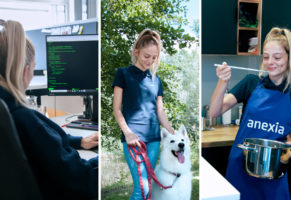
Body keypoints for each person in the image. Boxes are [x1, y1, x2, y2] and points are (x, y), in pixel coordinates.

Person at [0, 19, 98, 200]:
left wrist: (78, 142)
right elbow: (86, 182)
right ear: (25, 70)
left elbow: (46, 147)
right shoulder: (24, 118)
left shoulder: (7, 111)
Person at [210, 27, 291, 200]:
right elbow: (214, 112)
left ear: (290, 58)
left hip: (274, 173)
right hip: (241, 168)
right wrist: (223, 82)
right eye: (266, 57)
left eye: (277, 57)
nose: (270, 62)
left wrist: (287, 150)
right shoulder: (250, 83)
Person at [113, 29, 174, 199]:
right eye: (147, 56)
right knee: (142, 189)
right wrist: (128, 132)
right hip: (133, 139)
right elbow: (117, 109)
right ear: (136, 51)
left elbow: (159, 110)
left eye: (154, 57)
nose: (150, 61)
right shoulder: (123, 74)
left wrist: (171, 131)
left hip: (154, 138)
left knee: (149, 186)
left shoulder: (156, 80)